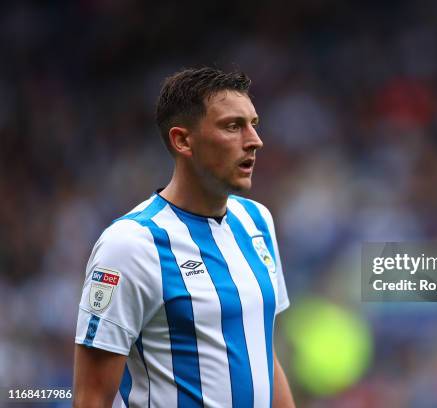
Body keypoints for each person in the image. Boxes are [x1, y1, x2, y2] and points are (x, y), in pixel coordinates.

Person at [73, 67, 295, 408]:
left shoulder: (257, 221)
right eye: (233, 126)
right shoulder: (131, 245)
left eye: (254, 124)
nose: (254, 140)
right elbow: (91, 397)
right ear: (182, 140)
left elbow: (263, 353)